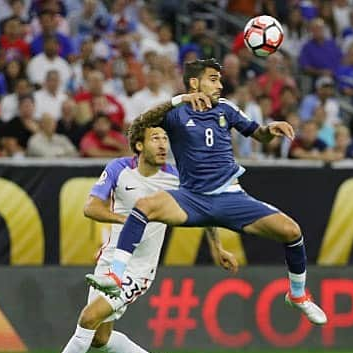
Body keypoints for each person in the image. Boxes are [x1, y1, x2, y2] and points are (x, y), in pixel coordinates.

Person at [87, 59, 327, 326]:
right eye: (213, 79)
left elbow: (257, 134)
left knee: (292, 231)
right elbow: (137, 126)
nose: (220, 85)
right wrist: (179, 100)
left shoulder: (226, 108)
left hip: (230, 197)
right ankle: (116, 275)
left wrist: (270, 130)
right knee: (143, 206)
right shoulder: (176, 112)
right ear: (194, 83)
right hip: (191, 198)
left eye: (220, 80)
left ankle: (297, 294)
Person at [17, 124, 237, 353]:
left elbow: (205, 210)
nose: (162, 145)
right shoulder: (118, 169)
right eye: (155, 138)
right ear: (139, 145)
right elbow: (91, 207)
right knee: (98, 337)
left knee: (88, 318)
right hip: (110, 261)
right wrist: (131, 221)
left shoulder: (176, 178)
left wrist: (217, 247)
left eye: (165, 139)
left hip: (138, 270)